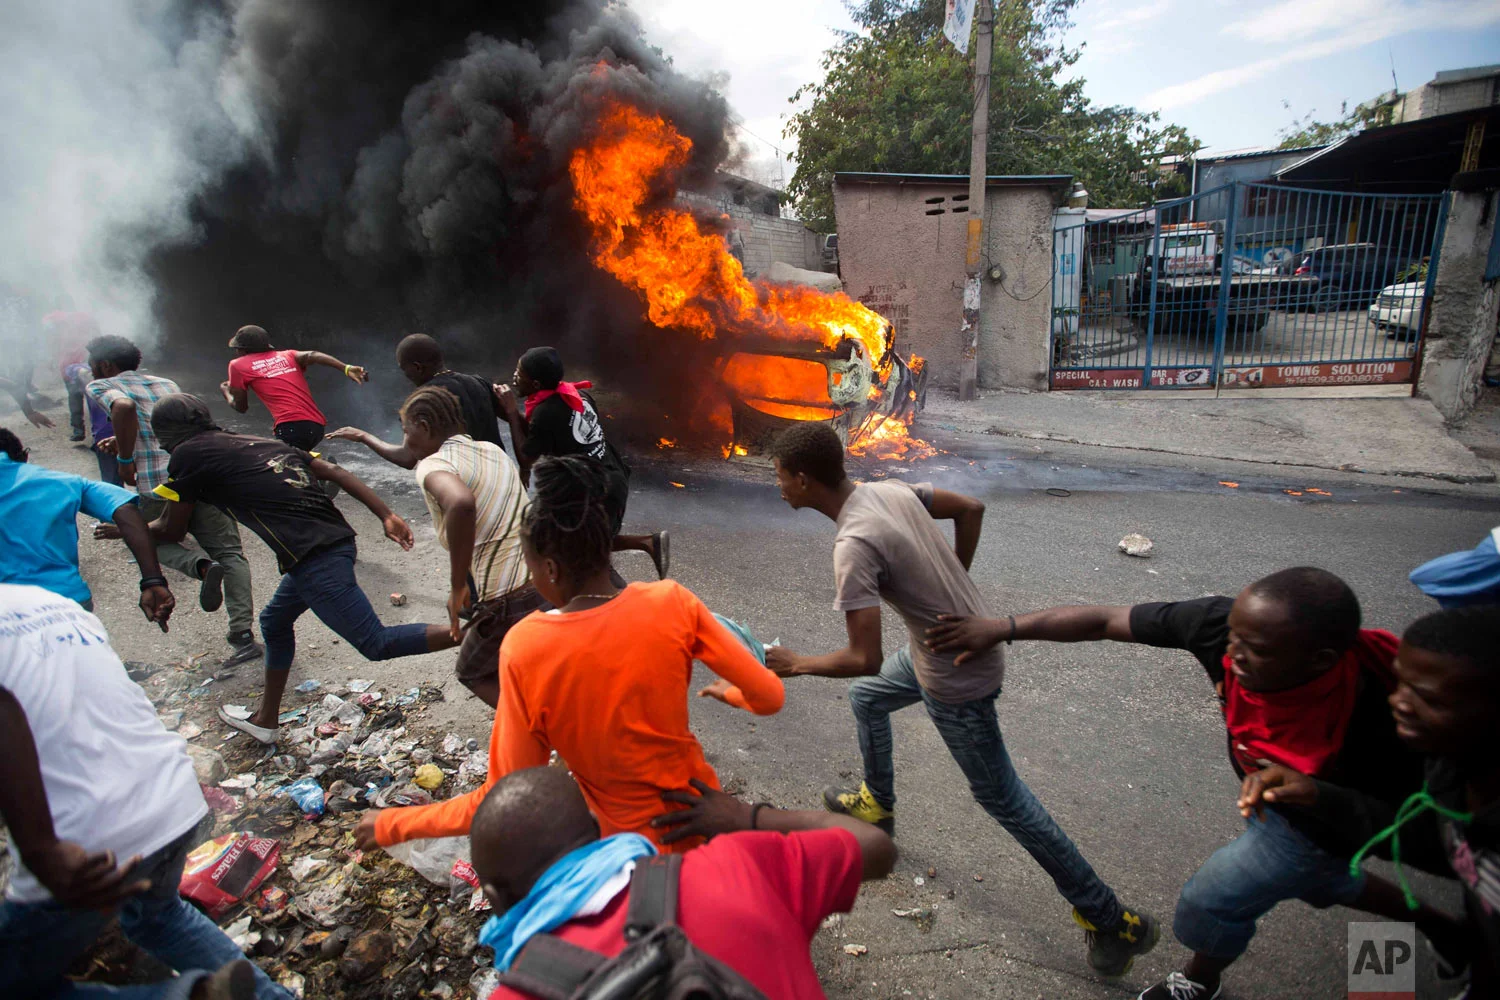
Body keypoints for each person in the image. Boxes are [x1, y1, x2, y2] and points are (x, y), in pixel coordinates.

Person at [927, 567, 1465, 1000]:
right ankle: (1444, 928)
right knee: (1316, 879)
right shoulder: (1221, 627)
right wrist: (1005, 626)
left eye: (1255, 650)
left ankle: (1200, 981)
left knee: (1211, 903)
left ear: (1320, 660)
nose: (1231, 654)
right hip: (1296, 807)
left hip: (1324, 818)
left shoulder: (1387, 721)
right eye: (1233, 636)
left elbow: (1430, 836)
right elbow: (1105, 620)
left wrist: (1314, 794)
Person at [765, 422, 1158, 979]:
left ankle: (1110, 918)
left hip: (956, 678)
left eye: (779, 477)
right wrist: (954, 590)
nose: (777, 486)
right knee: (870, 699)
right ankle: (877, 802)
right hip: (938, 652)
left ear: (803, 480)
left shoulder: (853, 544)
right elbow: (970, 507)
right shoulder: (888, 490)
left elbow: (863, 656)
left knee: (1006, 801)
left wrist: (796, 664)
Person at [354, 454, 782, 854]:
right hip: (707, 826)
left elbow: (504, 796)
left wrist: (392, 824)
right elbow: (769, 697)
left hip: (629, 860)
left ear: (552, 569)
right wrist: (732, 693)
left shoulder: (527, 646)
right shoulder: (672, 601)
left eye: (531, 567)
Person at [0, 582, 288, 1000]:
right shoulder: (47, 602)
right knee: (157, 916)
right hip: (171, 793)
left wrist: (41, 849)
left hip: (83, 843)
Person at [123, 394, 458, 745]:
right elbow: (334, 471)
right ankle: (266, 719)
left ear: (166, 431)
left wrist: (126, 526)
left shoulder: (187, 454)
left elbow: (172, 529)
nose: (159, 442)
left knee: (375, 643)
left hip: (314, 555)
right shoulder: (258, 441)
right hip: (332, 541)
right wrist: (386, 514)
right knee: (274, 621)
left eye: (157, 433)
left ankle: (477, 632)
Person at [468, 766, 896, 1000]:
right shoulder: (737, 869)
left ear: (493, 897)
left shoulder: (518, 992)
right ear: (598, 831)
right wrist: (746, 819)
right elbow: (876, 846)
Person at [1249, 606, 1500, 997]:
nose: (1398, 702)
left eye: (1427, 698)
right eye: (1400, 683)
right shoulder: (1450, 763)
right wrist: (1318, 795)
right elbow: (1438, 842)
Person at [84, 335, 261, 666]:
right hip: (201, 476)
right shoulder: (166, 383)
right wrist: (121, 441)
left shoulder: (102, 385)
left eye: (91, 362)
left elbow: (124, 408)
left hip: (155, 485)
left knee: (151, 538)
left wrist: (124, 461)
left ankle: (200, 566)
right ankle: (242, 635)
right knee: (232, 553)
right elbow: (160, 425)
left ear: (105, 365)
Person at [393, 385, 535, 708]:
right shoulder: (492, 450)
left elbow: (460, 503)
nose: (405, 443)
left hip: (509, 594)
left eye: (406, 432)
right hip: (546, 578)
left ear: (425, 427)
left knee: (472, 671)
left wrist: (457, 586)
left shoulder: (433, 465)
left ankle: (543, 732)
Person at [499, 346, 667, 580]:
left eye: (519, 374)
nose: (514, 378)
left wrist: (509, 412)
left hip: (598, 491)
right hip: (610, 476)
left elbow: (528, 457)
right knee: (575, 541)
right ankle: (648, 543)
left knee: (583, 554)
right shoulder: (576, 395)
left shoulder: (546, 412)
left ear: (536, 384)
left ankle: (618, 595)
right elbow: (545, 435)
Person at [0, 427, 174, 626]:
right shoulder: (64, 482)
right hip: (65, 603)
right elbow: (123, 508)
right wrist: (152, 580)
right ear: (24, 457)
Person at [329, 333, 509, 466]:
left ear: (417, 367)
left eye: (404, 369)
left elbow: (407, 458)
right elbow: (512, 417)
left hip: (468, 487)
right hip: (502, 476)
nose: (405, 375)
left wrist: (362, 436)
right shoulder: (479, 382)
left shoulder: (424, 401)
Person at [221, 324, 368, 452]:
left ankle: (318, 474)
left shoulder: (237, 365)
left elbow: (241, 407)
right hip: (316, 426)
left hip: (291, 427)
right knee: (295, 455)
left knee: (279, 466)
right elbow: (313, 355)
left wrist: (226, 392)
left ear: (242, 350)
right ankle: (314, 468)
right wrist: (346, 368)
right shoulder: (287, 355)